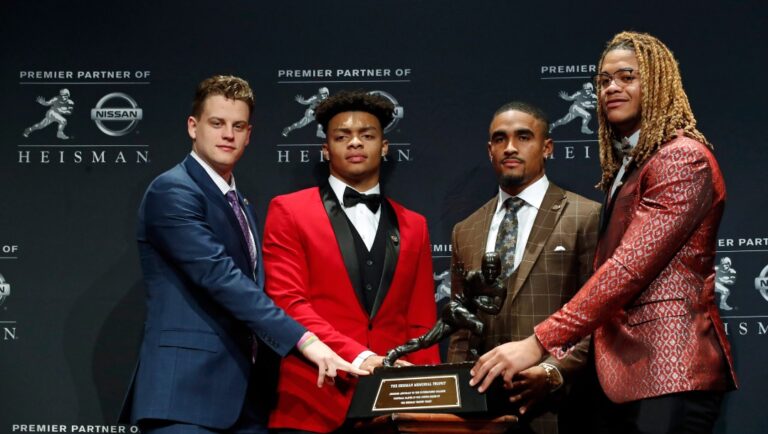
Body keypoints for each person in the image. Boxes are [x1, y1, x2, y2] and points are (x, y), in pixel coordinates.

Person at [470, 32, 737, 433]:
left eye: (627, 77)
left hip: (669, 372)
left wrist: (538, 343)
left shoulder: (682, 158)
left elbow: (627, 269)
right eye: (604, 80)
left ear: (658, 82)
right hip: (623, 376)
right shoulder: (630, 165)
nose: (612, 88)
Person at [119, 75, 364, 434]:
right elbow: (221, 279)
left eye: (238, 126)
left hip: (244, 397)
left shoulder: (240, 202)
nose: (228, 135)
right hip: (185, 397)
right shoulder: (172, 191)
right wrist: (307, 341)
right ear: (193, 127)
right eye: (216, 123)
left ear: (249, 134)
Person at [263, 90, 440, 433]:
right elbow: (288, 303)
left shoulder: (415, 225)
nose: (355, 143)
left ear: (384, 147)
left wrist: (426, 400)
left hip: (393, 409)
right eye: (342, 136)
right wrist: (362, 357)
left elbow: (421, 324)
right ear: (325, 149)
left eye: (367, 135)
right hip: (312, 400)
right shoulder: (289, 211)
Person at [447, 101, 600, 434]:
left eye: (524, 137)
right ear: (489, 150)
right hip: (481, 413)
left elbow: (599, 314)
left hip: (561, 408)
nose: (510, 147)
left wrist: (552, 372)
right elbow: (461, 325)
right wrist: (456, 401)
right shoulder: (465, 230)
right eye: (500, 139)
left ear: (547, 148)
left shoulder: (585, 216)